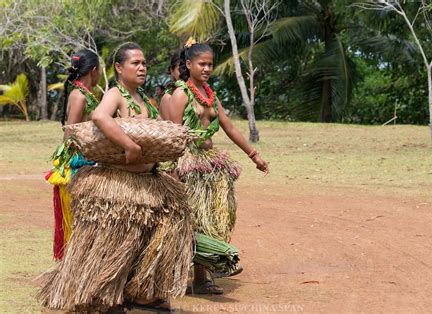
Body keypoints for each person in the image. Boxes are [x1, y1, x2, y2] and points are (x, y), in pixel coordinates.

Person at [38, 43, 193, 312]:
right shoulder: (115, 94)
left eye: (144, 63)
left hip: (149, 181)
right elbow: (99, 116)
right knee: (121, 242)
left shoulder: (144, 98)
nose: (142, 67)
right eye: (135, 63)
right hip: (121, 182)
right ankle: (102, 295)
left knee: (154, 239)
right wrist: (129, 145)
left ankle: (142, 291)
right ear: (119, 68)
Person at [167, 39, 269, 294]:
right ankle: (182, 277)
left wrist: (253, 155)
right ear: (188, 64)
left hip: (209, 166)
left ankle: (203, 277)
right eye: (202, 64)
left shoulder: (210, 95)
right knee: (192, 222)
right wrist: (173, 170)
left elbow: (230, 127)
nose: (207, 68)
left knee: (212, 219)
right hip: (187, 166)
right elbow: (172, 133)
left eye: (210, 64)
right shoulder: (181, 94)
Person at [45, 49, 100, 260]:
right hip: (77, 163)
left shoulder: (82, 92)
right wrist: (70, 163)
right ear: (93, 71)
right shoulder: (79, 95)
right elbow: (70, 131)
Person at [159, 51, 181, 120]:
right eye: (180, 69)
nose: (185, 73)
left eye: (187, 70)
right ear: (172, 71)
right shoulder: (168, 98)